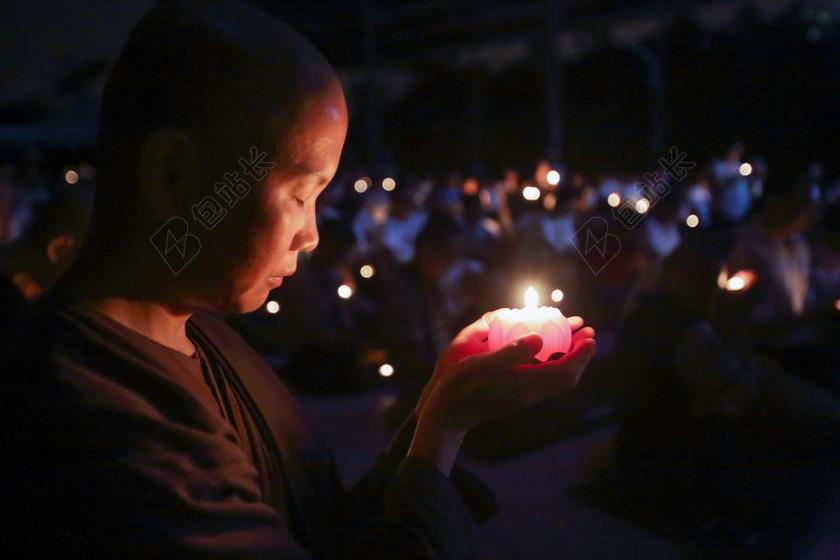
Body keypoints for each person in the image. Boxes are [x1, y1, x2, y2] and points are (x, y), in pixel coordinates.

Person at [3, 1, 596, 558]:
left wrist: (441, 405)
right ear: (174, 173)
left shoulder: (201, 333)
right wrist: (443, 429)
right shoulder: (96, 423)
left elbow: (324, 529)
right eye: (299, 194)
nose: (311, 236)